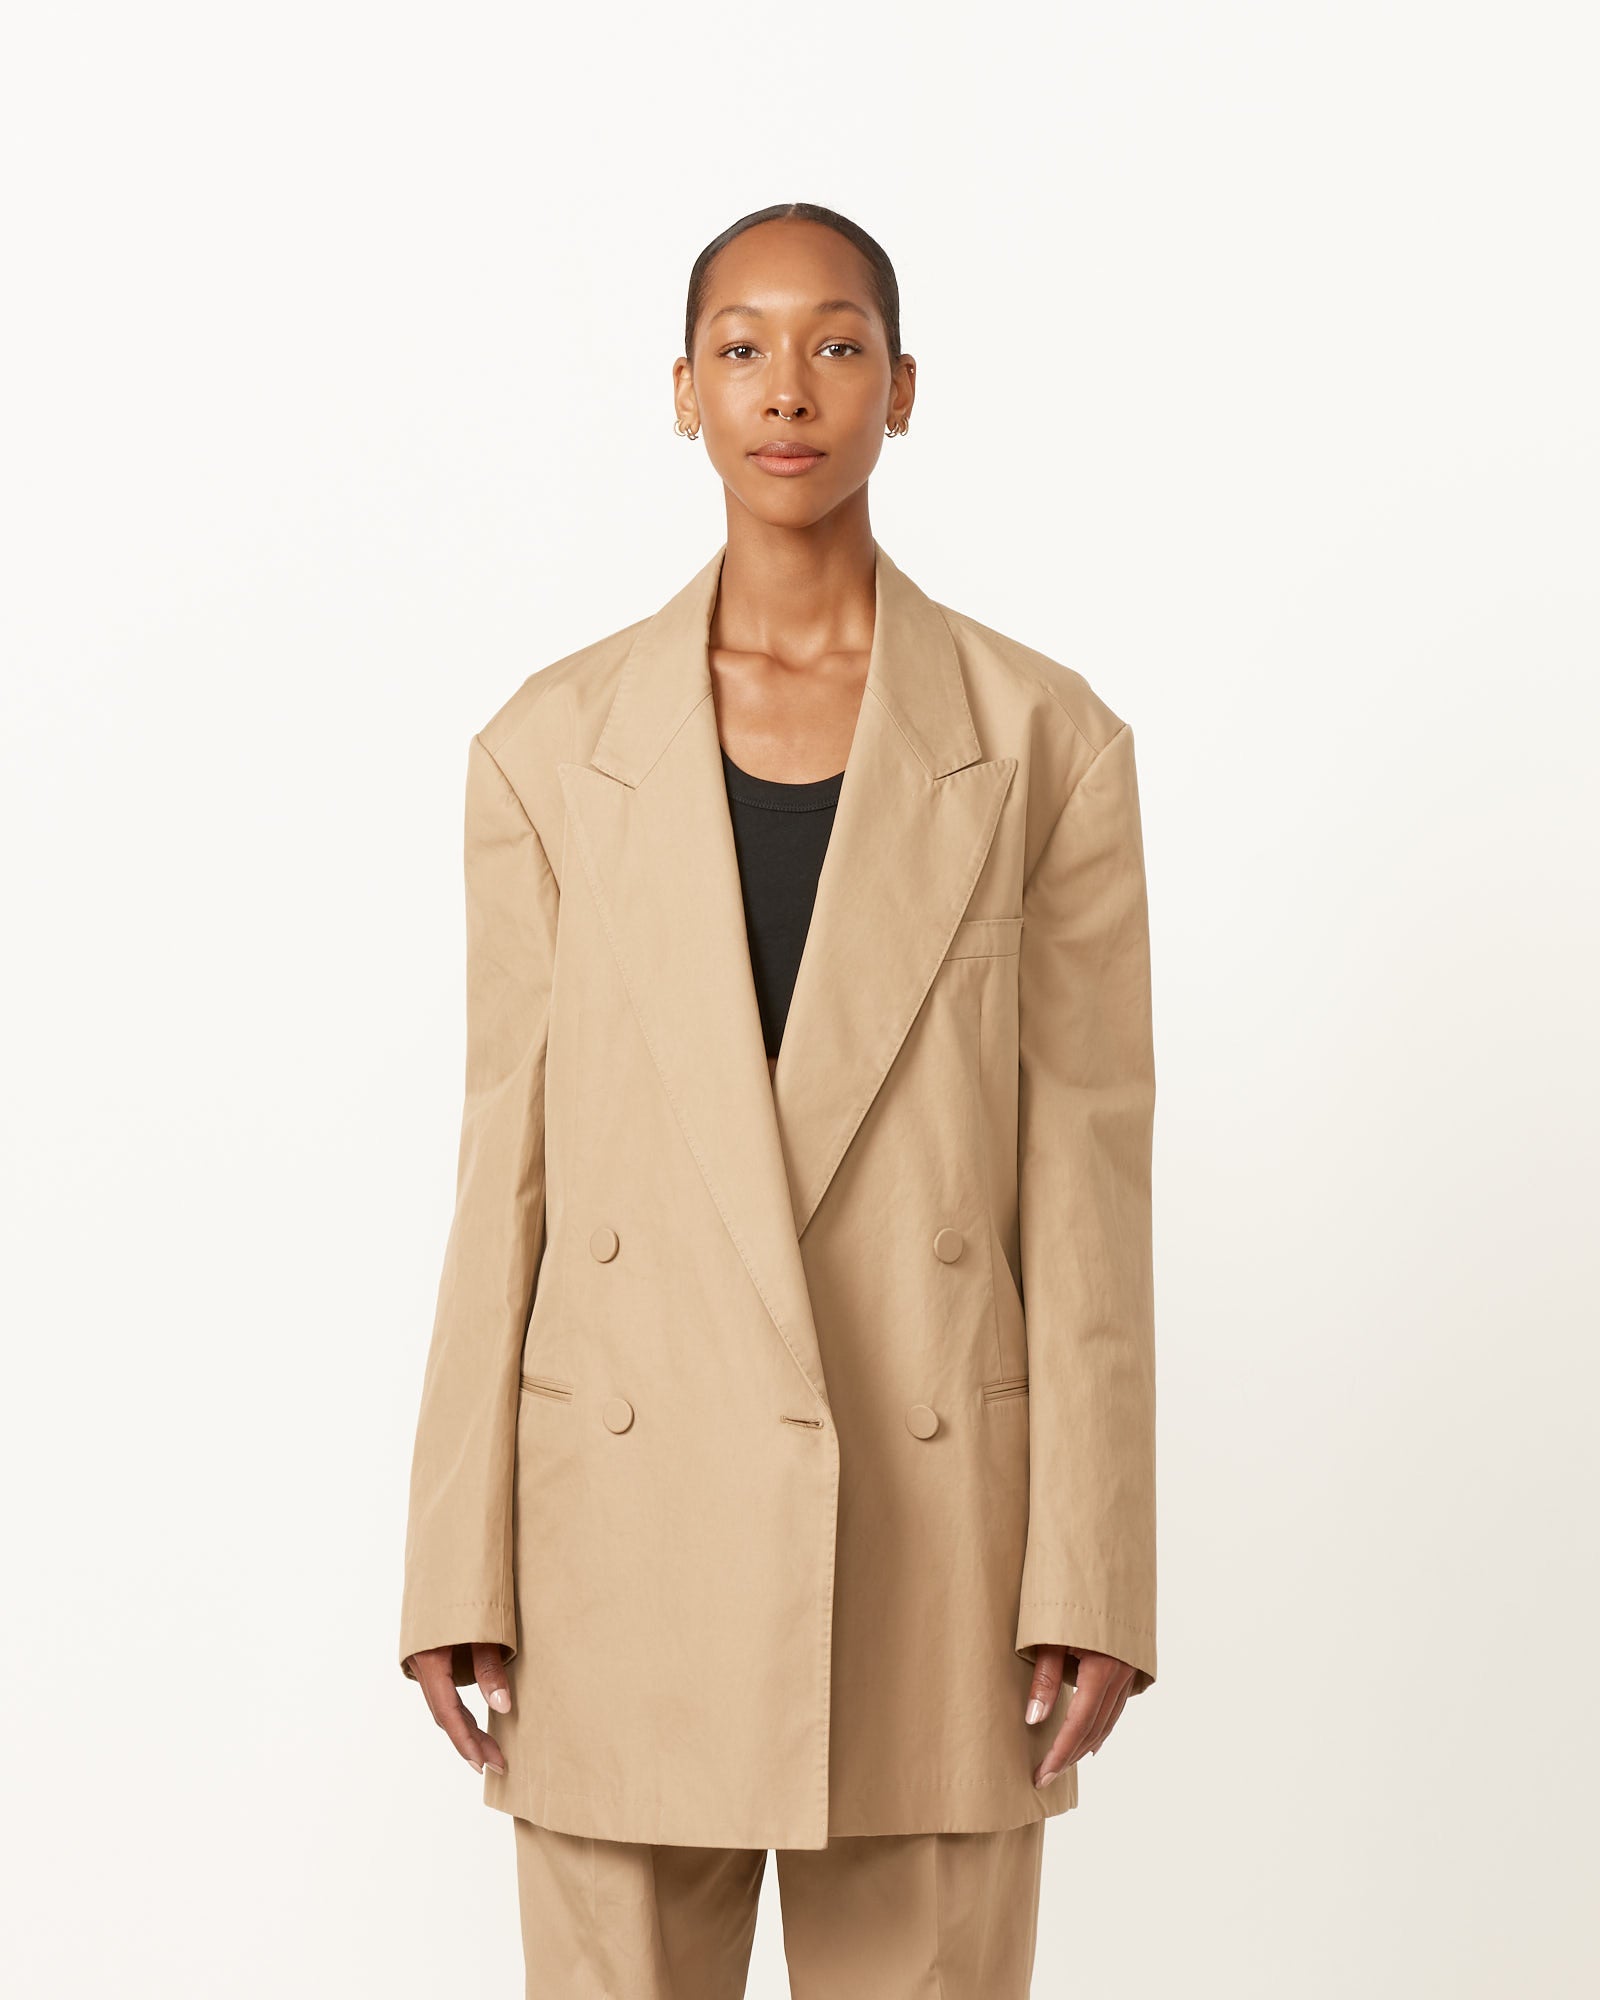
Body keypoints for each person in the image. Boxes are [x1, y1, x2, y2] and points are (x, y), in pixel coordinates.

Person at [399, 201, 1159, 1999]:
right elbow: (505, 1170)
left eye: (835, 344)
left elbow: (1087, 1181)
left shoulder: (1045, 743)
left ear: (905, 386)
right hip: (618, 1542)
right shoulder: (548, 750)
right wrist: (453, 1561)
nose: (788, 388)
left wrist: (1094, 1569)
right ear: (682, 391)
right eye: (741, 348)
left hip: (935, 1549)